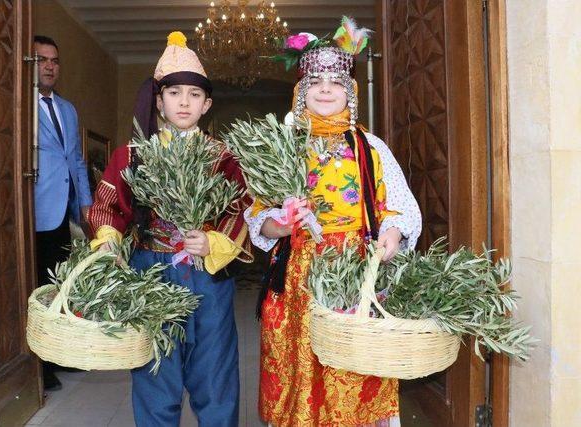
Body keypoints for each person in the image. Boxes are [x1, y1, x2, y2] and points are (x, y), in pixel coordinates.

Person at [244, 21, 422, 426]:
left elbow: (397, 206)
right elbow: (258, 219)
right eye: (316, 82)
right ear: (301, 92)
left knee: (354, 368)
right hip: (299, 276)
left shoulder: (370, 147)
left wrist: (391, 234)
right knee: (301, 362)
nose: (325, 89)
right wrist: (281, 224)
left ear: (351, 92)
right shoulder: (283, 145)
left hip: (355, 269)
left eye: (336, 82)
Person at [87, 32, 252, 427]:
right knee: (155, 372)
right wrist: (108, 242)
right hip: (151, 272)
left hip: (208, 277)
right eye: (174, 93)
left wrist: (212, 241)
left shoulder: (223, 157)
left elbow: (243, 209)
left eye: (194, 95)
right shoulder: (133, 155)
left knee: (215, 374)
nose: (183, 102)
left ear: (207, 104)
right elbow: (108, 208)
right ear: (158, 100)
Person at [33, 35, 92, 391]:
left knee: (60, 286)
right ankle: (39, 368)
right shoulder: (19, 105)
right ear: (30, 63)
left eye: (54, 60)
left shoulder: (67, 109)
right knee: (38, 286)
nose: (50, 66)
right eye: (42, 60)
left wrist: (86, 203)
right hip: (35, 208)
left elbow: (76, 159)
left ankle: (59, 356)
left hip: (66, 211)